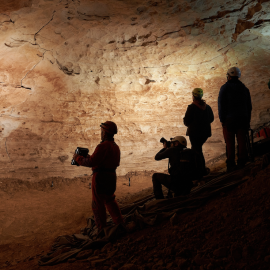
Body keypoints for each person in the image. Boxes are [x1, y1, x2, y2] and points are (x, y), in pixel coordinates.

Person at [73, 121, 124, 231]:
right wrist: (88, 157)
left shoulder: (103, 146)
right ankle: (119, 222)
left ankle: (101, 229)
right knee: (110, 200)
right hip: (111, 177)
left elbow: (92, 162)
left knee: (98, 203)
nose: (101, 133)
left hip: (100, 178)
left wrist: (78, 158)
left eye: (101, 131)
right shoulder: (115, 147)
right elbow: (101, 160)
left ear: (105, 133)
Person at [218, 67, 252, 171]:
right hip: (242, 119)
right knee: (242, 140)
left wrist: (222, 119)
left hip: (229, 119)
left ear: (228, 76)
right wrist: (248, 119)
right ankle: (242, 161)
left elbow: (221, 105)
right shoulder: (244, 89)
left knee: (230, 142)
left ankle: (231, 164)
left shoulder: (225, 88)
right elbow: (249, 106)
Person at [183, 88, 214, 176]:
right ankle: (199, 170)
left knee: (197, 151)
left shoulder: (192, 107)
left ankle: (200, 171)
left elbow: (186, 121)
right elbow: (211, 119)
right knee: (197, 150)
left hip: (194, 133)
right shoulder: (207, 107)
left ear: (193, 96)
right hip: (205, 133)